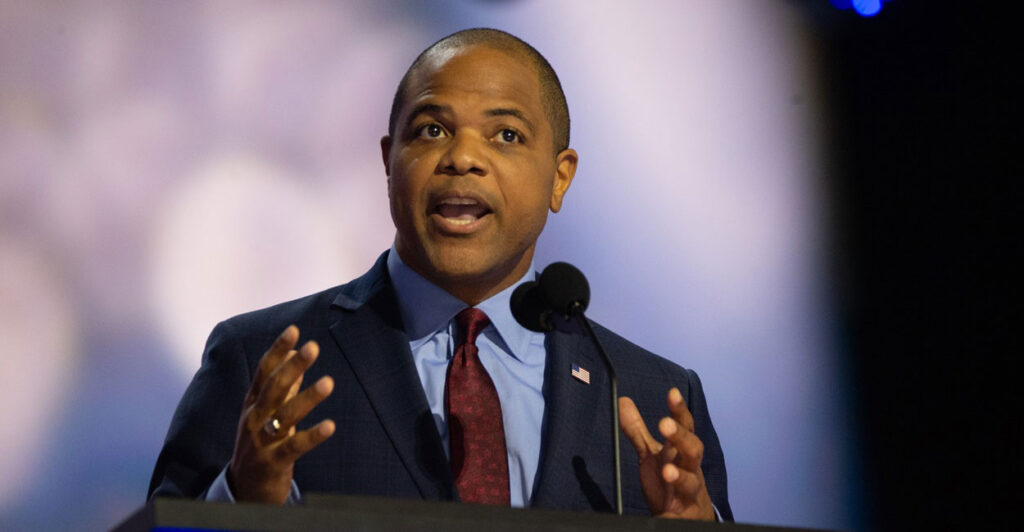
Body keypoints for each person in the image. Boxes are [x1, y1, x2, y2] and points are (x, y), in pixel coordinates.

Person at [149, 28, 732, 521]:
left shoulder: (648, 395)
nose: (462, 157)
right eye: (432, 130)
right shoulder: (261, 360)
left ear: (560, 178)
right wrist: (243, 500)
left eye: (506, 135)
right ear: (388, 161)